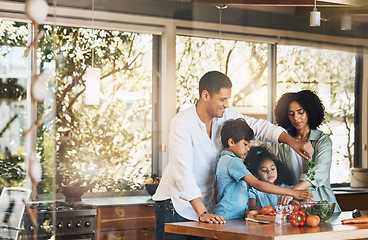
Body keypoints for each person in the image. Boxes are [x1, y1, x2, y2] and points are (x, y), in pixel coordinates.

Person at [152, 71, 314, 240]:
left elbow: (258, 127)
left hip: (204, 209)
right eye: (222, 99)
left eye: (228, 99)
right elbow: (183, 175)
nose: (227, 104)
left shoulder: (226, 117)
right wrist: (203, 213)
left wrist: (292, 142)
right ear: (205, 95)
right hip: (175, 205)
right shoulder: (182, 123)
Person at [212, 119, 312, 219]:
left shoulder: (225, 160)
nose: (248, 148)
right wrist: (293, 192)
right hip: (227, 216)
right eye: (245, 144)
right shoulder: (232, 161)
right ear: (231, 142)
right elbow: (257, 184)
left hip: (231, 216)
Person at [274, 90, 341, 212]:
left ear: (310, 112)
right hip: (293, 206)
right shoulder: (283, 142)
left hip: (321, 205)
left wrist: (292, 192)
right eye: (291, 114)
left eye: (301, 112)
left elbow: (318, 173)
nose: (296, 118)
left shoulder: (323, 141)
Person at [244, 145, 297, 210]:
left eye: (272, 169)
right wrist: (268, 213)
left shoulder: (285, 188)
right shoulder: (254, 191)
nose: (269, 172)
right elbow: (252, 207)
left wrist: (294, 202)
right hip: (263, 219)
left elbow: (295, 202)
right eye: (264, 170)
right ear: (256, 174)